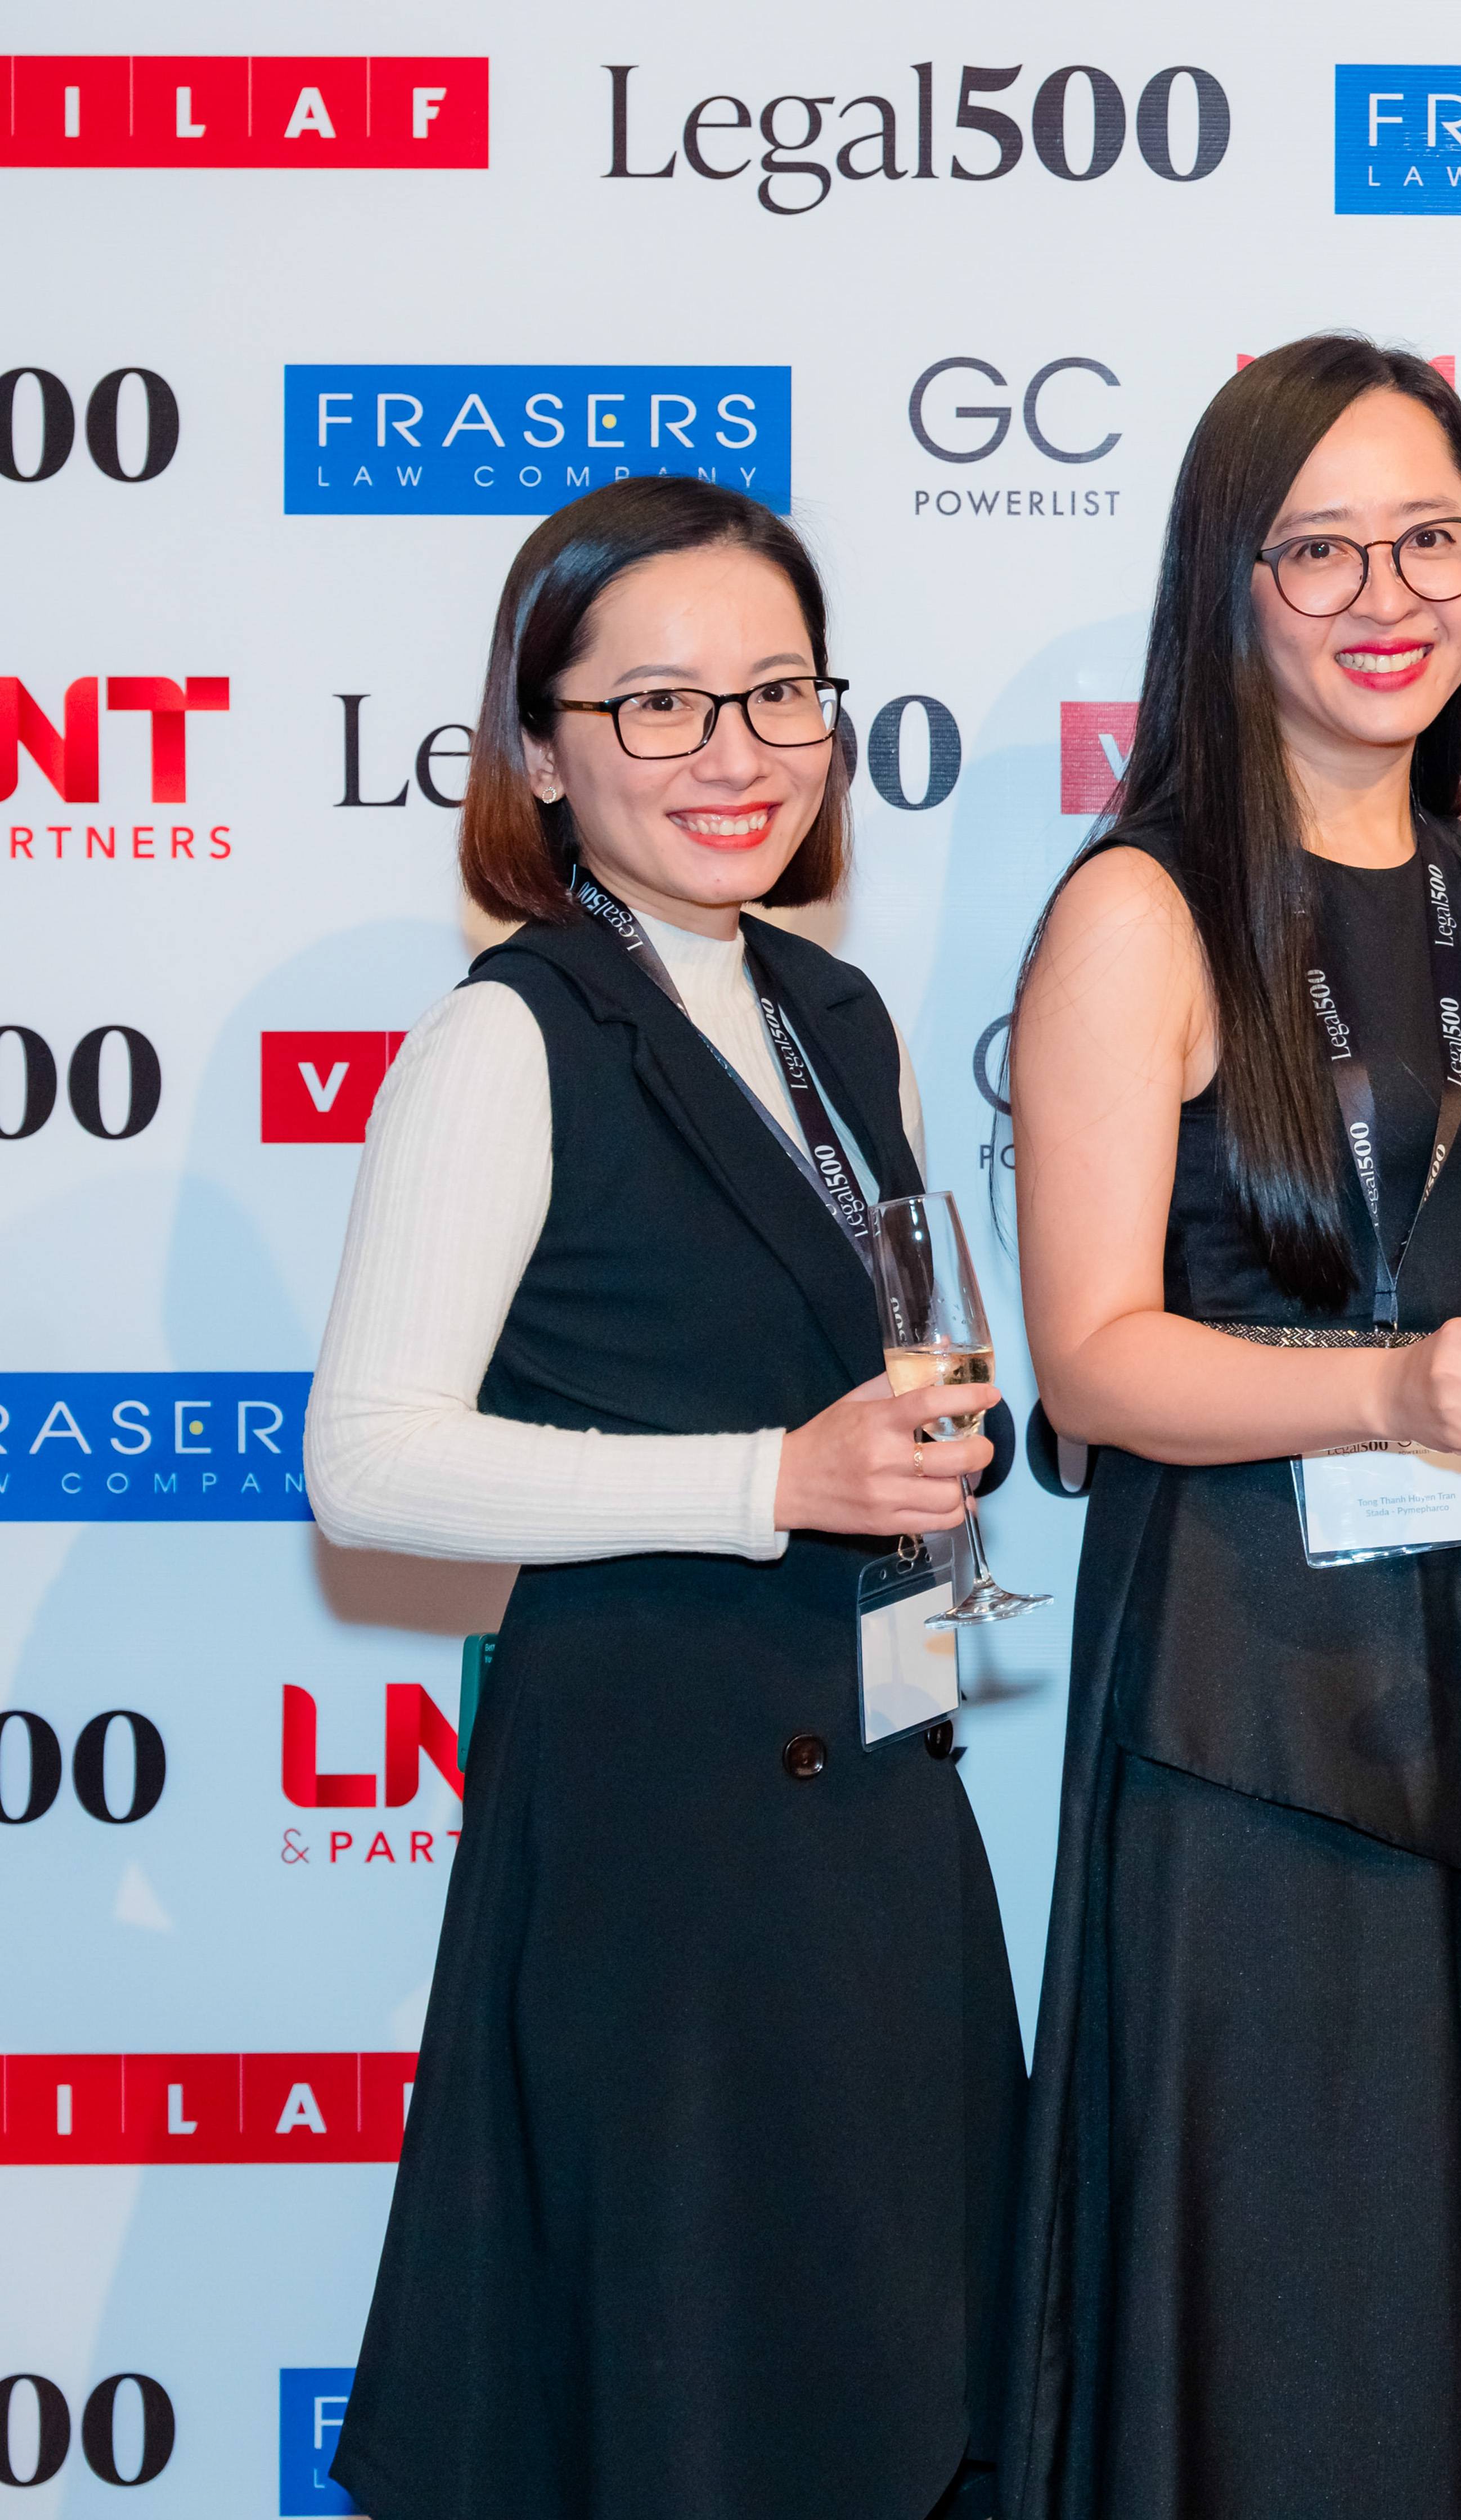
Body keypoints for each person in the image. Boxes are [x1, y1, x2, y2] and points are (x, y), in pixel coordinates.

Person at [998, 335, 1461, 2518]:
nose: (1388, 595)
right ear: (1232, 580)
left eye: (1431, 540)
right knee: (1293, 2303)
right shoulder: (1141, 907)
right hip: (1253, 1708)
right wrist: (1383, 1387)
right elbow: (1091, 1361)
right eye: (1321, 550)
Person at [306, 479, 1023, 2519]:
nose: (737, 753)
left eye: (781, 693)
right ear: (543, 752)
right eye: (661, 705)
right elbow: (366, 1456)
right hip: (657, 1846)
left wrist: (914, 1466)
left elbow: (887, 1344)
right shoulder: (510, 1035)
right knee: (702, 2414)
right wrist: (769, 1477)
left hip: (875, 1809)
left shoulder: (832, 1014)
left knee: (905, 2396)